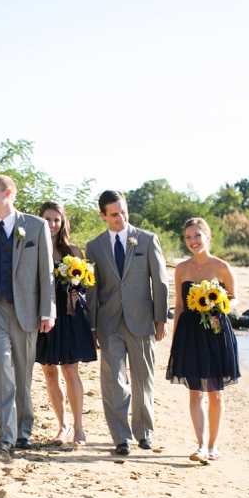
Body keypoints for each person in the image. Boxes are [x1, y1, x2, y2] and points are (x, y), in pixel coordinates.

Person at [0, 175, 55, 454]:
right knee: (1, 370)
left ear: (9, 194)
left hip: (27, 311)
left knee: (22, 373)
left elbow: (47, 273)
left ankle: (23, 431)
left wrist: (47, 311)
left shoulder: (36, 226)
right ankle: (6, 436)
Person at [85, 190, 169, 455]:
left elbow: (161, 282)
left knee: (143, 379)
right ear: (103, 216)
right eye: (113, 215)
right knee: (113, 382)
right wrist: (92, 326)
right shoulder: (95, 246)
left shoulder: (147, 240)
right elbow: (93, 290)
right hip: (109, 322)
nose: (120, 218)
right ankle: (121, 437)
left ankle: (144, 432)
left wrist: (161, 319)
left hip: (143, 320)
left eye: (123, 212)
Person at [167, 217, 241, 462]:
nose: (192, 241)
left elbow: (234, 299)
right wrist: (176, 338)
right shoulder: (182, 269)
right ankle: (200, 446)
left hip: (216, 333)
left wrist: (217, 306)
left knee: (215, 392)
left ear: (207, 237)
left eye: (197, 235)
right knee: (195, 392)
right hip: (190, 334)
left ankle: (213, 446)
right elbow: (178, 306)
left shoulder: (221, 267)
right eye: (188, 237)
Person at [35, 201, 97, 446]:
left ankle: (79, 428)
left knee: (70, 370)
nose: (52, 224)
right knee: (49, 372)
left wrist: (76, 291)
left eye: (56, 219)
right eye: (47, 219)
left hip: (70, 316)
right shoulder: (33, 249)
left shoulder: (73, 251)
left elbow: (85, 284)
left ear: (62, 223)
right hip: (44, 316)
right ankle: (62, 426)